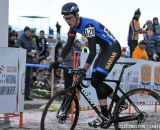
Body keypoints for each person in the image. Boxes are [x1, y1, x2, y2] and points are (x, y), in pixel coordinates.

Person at [50, 2, 127, 128]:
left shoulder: (88, 26)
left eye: (69, 18)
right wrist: (58, 61)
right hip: (104, 49)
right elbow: (68, 45)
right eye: (65, 19)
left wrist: (83, 70)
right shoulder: (73, 28)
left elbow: (91, 52)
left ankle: (104, 115)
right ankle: (120, 102)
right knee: (95, 81)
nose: (67, 21)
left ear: (77, 15)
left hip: (113, 48)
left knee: (97, 78)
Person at [16, 26, 38, 100]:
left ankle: (27, 95)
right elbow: (17, 47)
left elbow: (36, 48)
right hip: (22, 62)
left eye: (29, 31)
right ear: (24, 32)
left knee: (29, 78)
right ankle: (19, 95)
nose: (28, 33)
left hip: (30, 62)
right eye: (26, 31)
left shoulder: (32, 40)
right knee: (21, 78)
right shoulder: (20, 39)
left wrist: (34, 52)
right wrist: (26, 53)